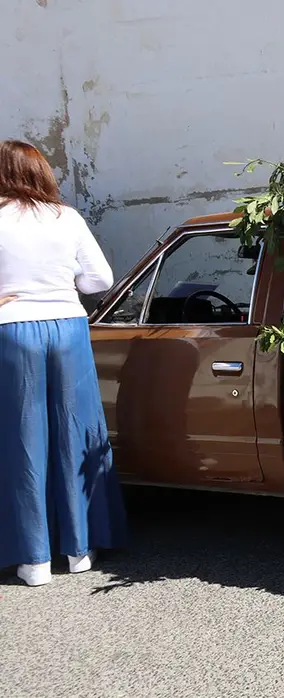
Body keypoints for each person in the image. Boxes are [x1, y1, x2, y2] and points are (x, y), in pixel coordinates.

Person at [0, 140, 126, 587]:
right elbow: (101, 279)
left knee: (21, 439)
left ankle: (32, 560)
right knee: (77, 430)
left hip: (12, 328)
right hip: (69, 325)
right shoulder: (66, 217)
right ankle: (79, 551)